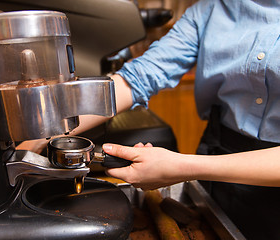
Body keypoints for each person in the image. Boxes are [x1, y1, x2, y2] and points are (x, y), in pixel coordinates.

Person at [18, 0, 280, 238]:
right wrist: (40, 136)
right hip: (221, 157)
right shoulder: (211, 10)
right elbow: (138, 78)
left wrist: (185, 167)